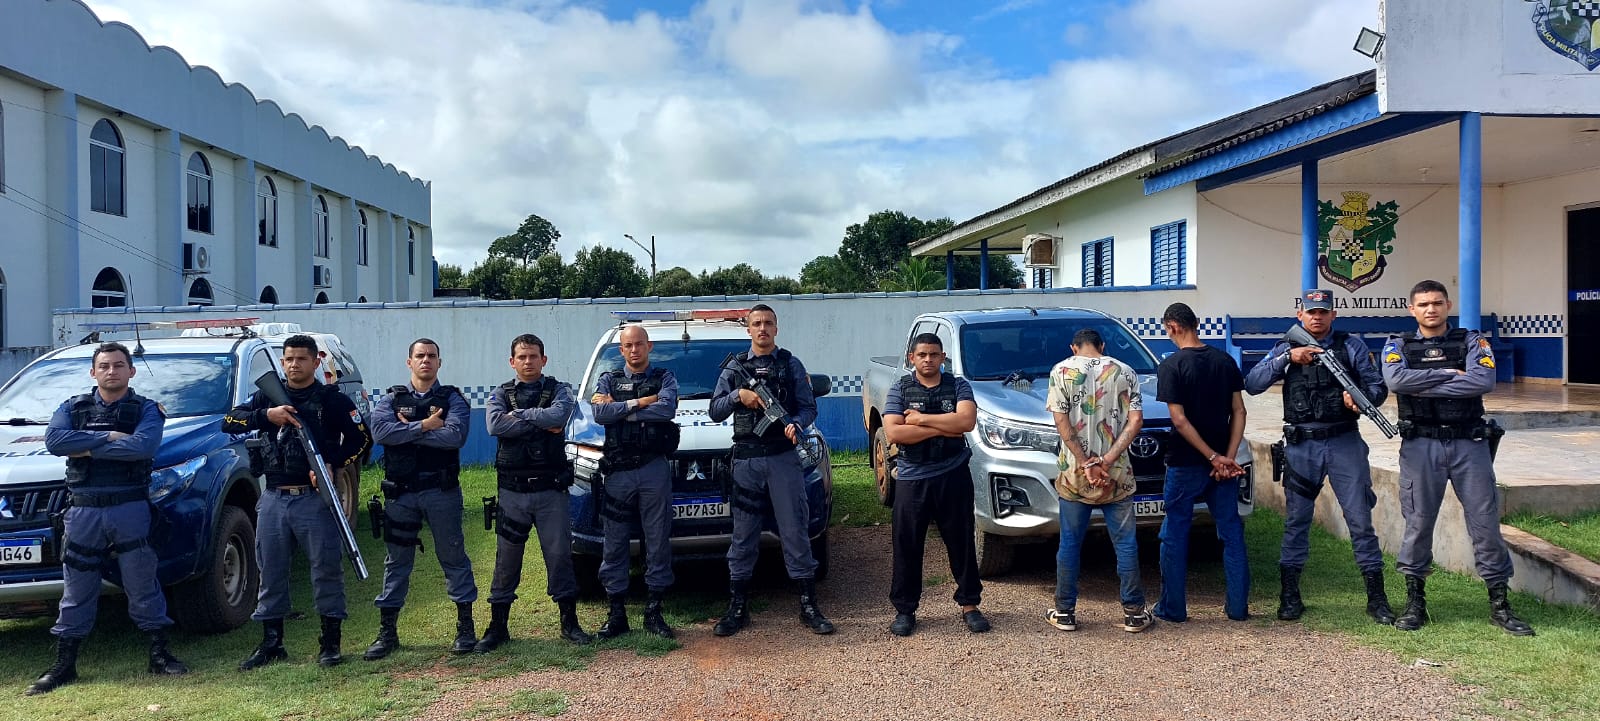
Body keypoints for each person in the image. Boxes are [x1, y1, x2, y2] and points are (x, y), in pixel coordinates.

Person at [29, 343, 187, 695]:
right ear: (93, 372)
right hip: (84, 508)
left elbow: (143, 448)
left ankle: (160, 654)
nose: (111, 371)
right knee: (76, 589)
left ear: (131, 371)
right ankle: (64, 665)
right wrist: (108, 437)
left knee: (142, 582)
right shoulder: (72, 407)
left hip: (129, 507)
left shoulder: (146, 409)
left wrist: (84, 446)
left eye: (119, 365)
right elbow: (55, 441)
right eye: (104, 366)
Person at [1381, 280, 1533, 636]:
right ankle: (1415, 603)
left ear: (1448, 304)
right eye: (1423, 304)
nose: (1430, 309)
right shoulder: (1397, 344)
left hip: (1469, 444)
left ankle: (1500, 604)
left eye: (1437, 303)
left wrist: (1423, 381)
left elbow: (1481, 382)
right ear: (1411, 309)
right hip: (1421, 446)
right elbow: (1397, 381)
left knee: (1485, 523)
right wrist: (1448, 372)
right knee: (1418, 523)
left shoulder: (1472, 341)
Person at [1245, 289, 1395, 624]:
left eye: (1323, 312)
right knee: (1297, 521)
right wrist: (1289, 358)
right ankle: (1289, 595)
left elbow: (1377, 387)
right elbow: (1253, 383)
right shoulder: (1287, 346)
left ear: (1333, 314)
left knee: (1360, 521)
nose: (1317, 317)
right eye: (1311, 312)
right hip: (1301, 446)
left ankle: (1377, 598)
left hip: (1344, 442)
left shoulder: (1350, 345)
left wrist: (1361, 400)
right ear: (1300, 316)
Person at [228, 334, 370, 671]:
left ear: (316, 362)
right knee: (270, 570)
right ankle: (272, 643)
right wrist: (267, 416)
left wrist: (333, 461)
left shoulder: (330, 400)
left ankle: (330, 643)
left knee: (326, 569)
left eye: (302, 359)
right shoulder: (266, 396)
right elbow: (229, 421)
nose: (294, 365)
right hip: (274, 497)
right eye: (289, 359)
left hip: (314, 499)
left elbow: (362, 439)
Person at [708, 304, 833, 637]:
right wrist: (739, 395)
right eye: (757, 323)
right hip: (747, 460)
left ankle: (808, 604)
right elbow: (715, 410)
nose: (762, 329)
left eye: (768, 323)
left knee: (794, 530)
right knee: (744, 535)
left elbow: (808, 407)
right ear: (748, 329)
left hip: (782, 458)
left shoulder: (790, 364)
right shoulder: (735, 369)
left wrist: (795, 424)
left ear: (776, 328)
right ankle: (737, 607)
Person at [476, 334, 591, 650]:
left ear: (544, 360)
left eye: (533, 356)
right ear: (512, 361)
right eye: (522, 357)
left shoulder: (560, 391)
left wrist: (520, 416)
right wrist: (539, 422)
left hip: (550, 491)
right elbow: (494, 426)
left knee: (559, 558)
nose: (528, 362)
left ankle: (570, 624)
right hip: (513, 493)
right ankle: (498, 626)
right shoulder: (501, 393)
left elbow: (560, 416)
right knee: (506, 561)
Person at [366, 339, 478, 659]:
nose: (425, 361)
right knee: (396, 562)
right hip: (401, 494)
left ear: (439, 363)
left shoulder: (452, 398)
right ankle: (388, 632)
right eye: (419, 356)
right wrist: (427, 426)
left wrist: (409, 431)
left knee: (453, 556)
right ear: (409, 362)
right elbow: (381, 434)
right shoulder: (392, 398)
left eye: (431, 356)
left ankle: (465, 628)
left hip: (441, 492)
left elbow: (455, 436)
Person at [1044, 329, 1152, 633]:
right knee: (1126, 544)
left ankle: (1064, 611)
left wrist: (1085, 462)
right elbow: (1136, 420)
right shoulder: (1126, 371)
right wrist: (1107, 460)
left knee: (1070, 542)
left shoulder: (1061, 371)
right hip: (1117, 473)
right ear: (1102, 346)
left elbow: (1061, 422)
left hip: (1074, 474)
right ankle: (1134, 612)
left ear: (1073, 347)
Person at [883, 333, 990, 637]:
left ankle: (970, 604)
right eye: (922, 355)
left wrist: (920, 421)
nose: (928, 360)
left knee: (961, 542)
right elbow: (895, 434)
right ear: (911, 359)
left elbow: (966, 423)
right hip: (912, 477)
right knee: (907, 545)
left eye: (934, 354)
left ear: (943, 358)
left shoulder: (958, 386)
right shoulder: (900, 389)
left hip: (952, 475)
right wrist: (943, 426)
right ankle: (905, 609)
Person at [1152, 302, 1251, 623]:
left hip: (1186, 462)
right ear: (1196, 323)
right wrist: (1229, 457)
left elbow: (1179, 421)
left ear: (1172, 327)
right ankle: (1237, 608)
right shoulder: (1225, 361)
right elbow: (1240, 411)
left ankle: (1173, 608)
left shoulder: (1172, 366)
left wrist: (1211, 456)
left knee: (1175, 533)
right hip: (1223, 466)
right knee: (1231, 533)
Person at [590, 324, 680, 639]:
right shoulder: (608, 379)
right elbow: (600, 414)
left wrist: (619, 409)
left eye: (638, 345)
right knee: (614, 543)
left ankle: (654, 612)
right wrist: (639, 403)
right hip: (618, 472)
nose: (633, 350)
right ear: (621, 349)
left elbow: (666, 408)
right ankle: (617, 615)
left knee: (657, 540)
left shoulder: (664, 378)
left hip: (653, 468)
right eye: (627, 346)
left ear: (648, 346)